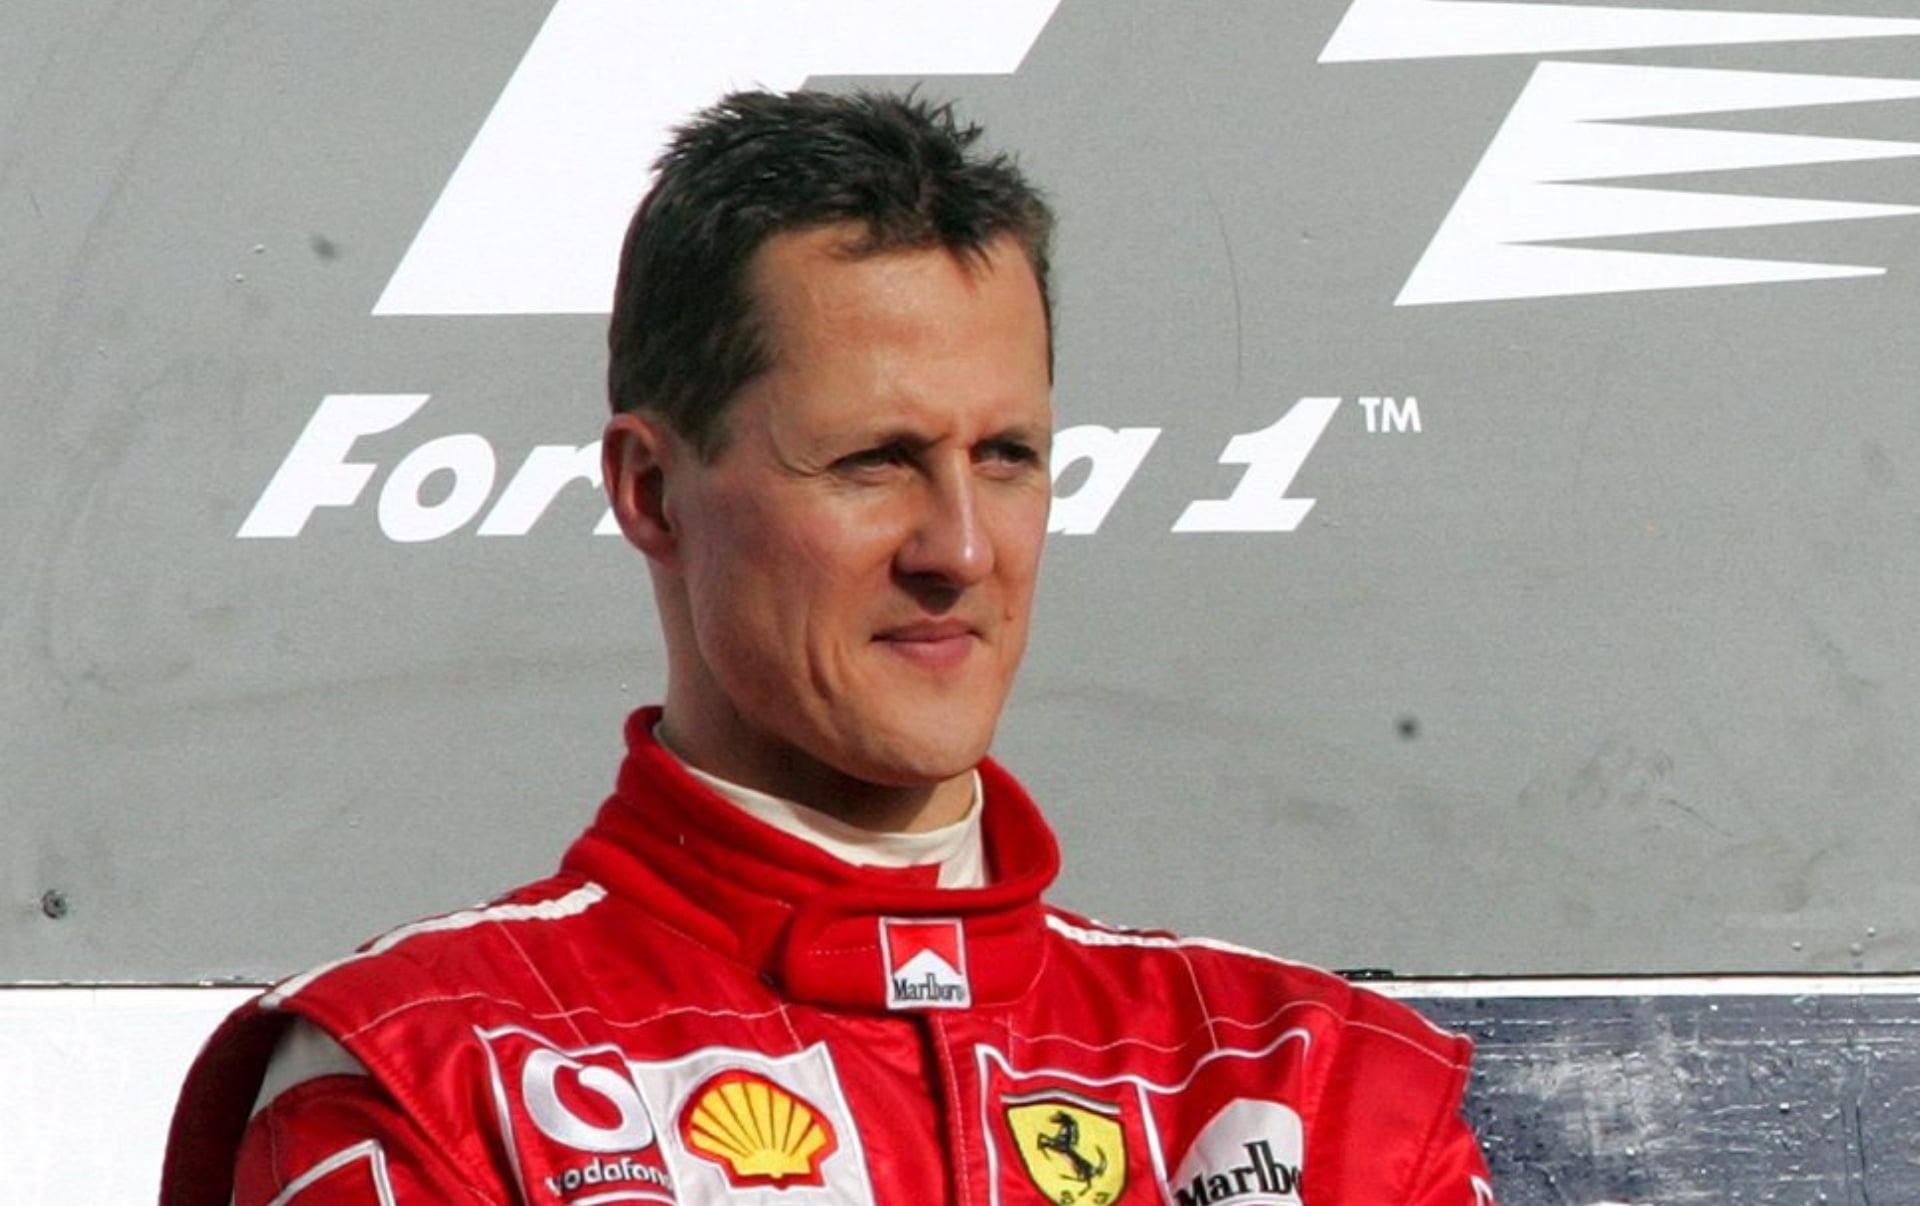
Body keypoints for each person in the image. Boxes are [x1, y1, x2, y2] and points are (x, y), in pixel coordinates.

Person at [163, 89, 1496, 1205]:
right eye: (874, 460)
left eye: (1008, 456)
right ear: (651, 491)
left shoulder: (1314, 1087)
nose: (959, 548)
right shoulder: (427, 1075)